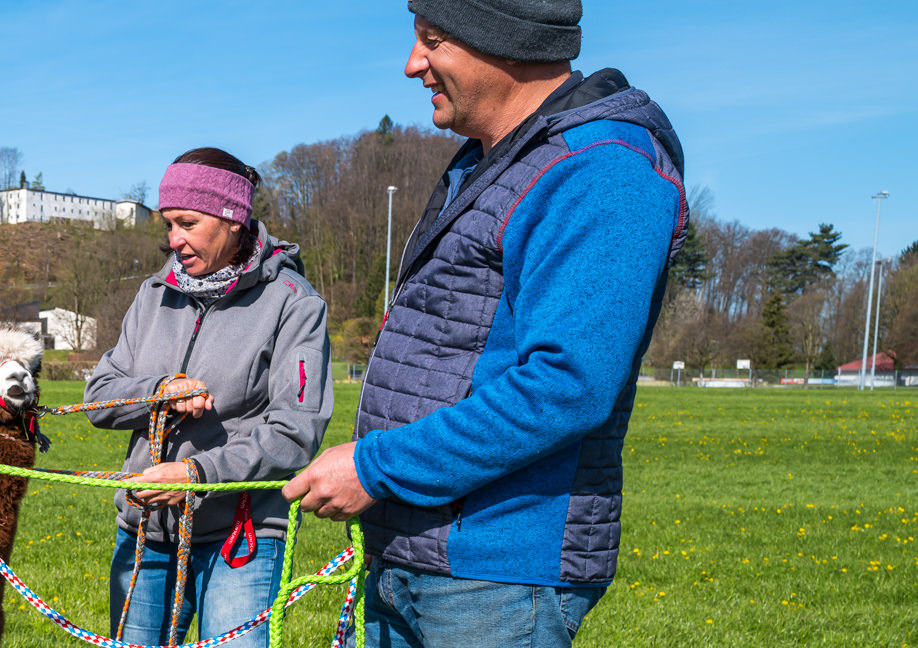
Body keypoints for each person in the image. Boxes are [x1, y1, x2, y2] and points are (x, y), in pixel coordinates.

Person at [282, 1, 688, 646]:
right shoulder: (494, 160)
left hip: (494, 576)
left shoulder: (602, 169)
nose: (414, 64)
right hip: (417, 549)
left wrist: (376, 468)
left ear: (505, 44)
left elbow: (568, 384)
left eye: (433, 41)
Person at [85, 147, 332, 645]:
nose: (174, 240)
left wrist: (200, 475)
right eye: (168, 224)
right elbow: (99, 394)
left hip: (240, 538)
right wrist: (158, 393)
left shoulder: (293, 303)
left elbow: (295, 430)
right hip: (146, 534)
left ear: (233, 219)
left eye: (188, 223)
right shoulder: (153, 295)